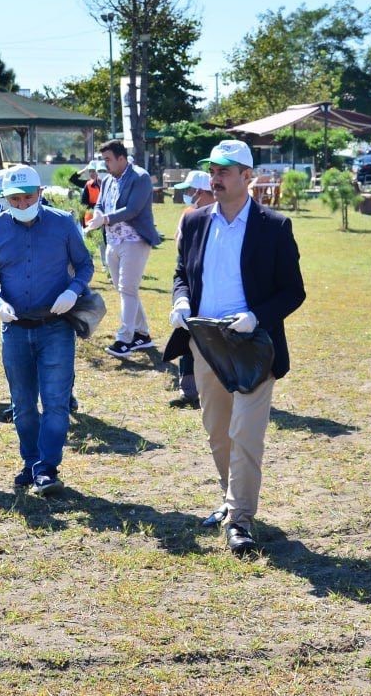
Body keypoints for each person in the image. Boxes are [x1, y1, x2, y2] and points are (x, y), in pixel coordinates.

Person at [164, 140, 306, 556]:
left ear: (248, 177)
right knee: (218, 431)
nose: (216, 177)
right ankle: (231, 500)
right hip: (205, 341)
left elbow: (293, 292)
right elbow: (181, 273)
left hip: (252, 343)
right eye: (213, 169)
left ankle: (240, 519)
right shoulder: (194, 222)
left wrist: (257, 316)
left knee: (245, 433)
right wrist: (180, 300)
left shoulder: (274, 226)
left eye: (226, 171)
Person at [0, 165, 94, 496]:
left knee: (56, 402)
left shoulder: (62, 224)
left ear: (40, 193)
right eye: (15, 199)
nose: (24, 205)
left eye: (29, 197)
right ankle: (31, 461)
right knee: (23, 403)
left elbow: (84, 264)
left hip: (55, 326)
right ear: (4, 199)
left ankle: (47, 467)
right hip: (15, 327)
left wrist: (73, 291)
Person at [90, 140, 160, 358]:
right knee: (125, 289)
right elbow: (100, 204)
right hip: (113, 241)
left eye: (108, 160)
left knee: (127, 289)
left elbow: (133, 209)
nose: (105, 165)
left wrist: (106, 219)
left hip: (134, 240)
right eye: (104, 160)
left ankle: (124, 339)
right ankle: (143, 335)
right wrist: (97, 215)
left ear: (122, 158)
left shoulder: (140, 177)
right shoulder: (108, 179)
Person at [168, 170, 215, 409]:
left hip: (213, 293)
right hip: (192, 290)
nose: (188, 196)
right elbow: (181, 256)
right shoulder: (190, 216)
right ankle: (189, 389)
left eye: (190, 191)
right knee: (187, 337)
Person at [68, 159, 106, 227]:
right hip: (90, 218)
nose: (91, 173)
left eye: (93, 171)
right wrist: (84, 170)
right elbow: (72, 179)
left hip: (104, 217)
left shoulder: (109, 183)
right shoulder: (88, 184)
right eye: (90, 171)